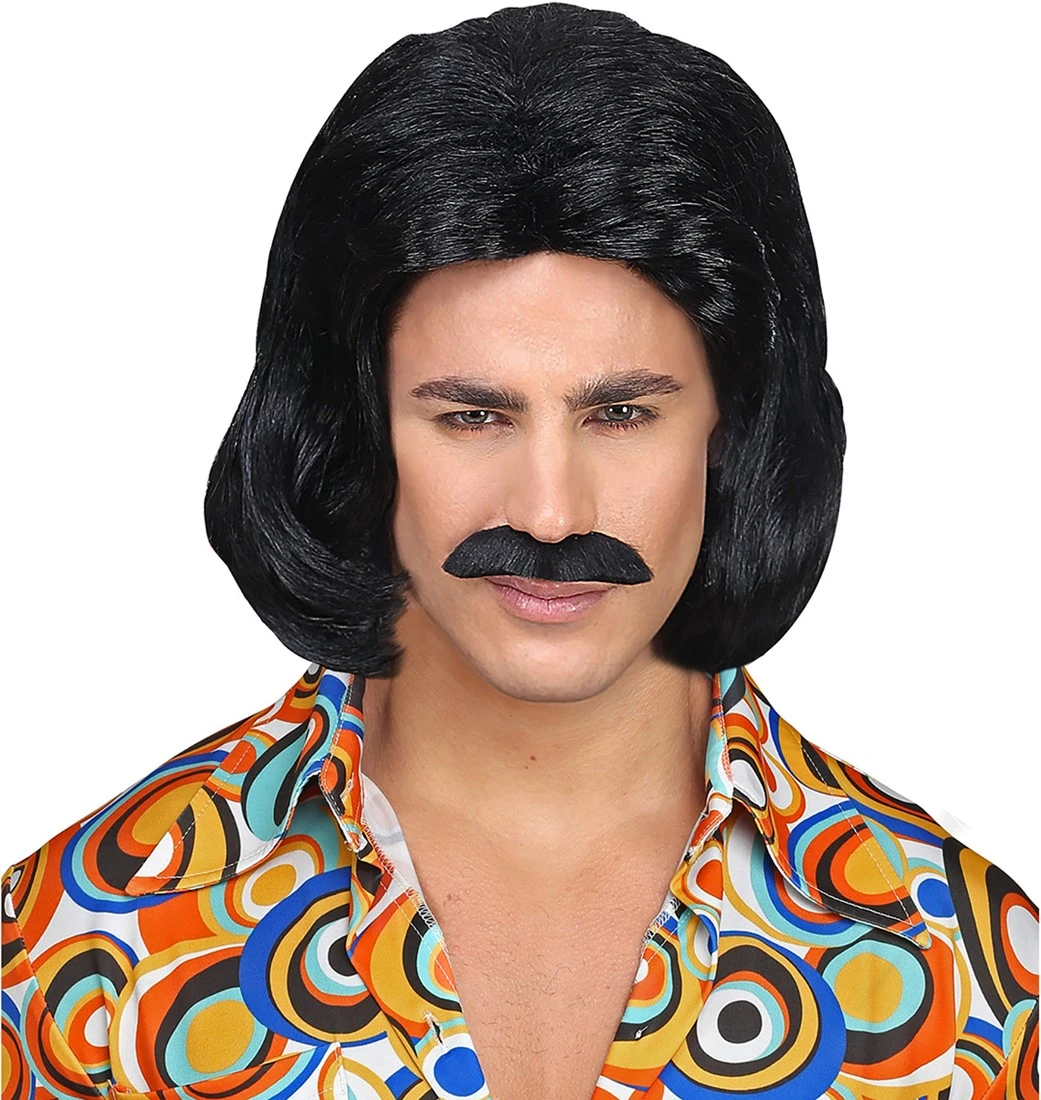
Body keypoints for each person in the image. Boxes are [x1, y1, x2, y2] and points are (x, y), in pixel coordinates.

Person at [3, 4, 1037, 1098]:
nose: (549, 514)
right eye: (472, 417)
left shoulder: (967, 974)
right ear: (355, 431)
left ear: (733, 430)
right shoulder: (74, 954)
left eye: (621, 415)